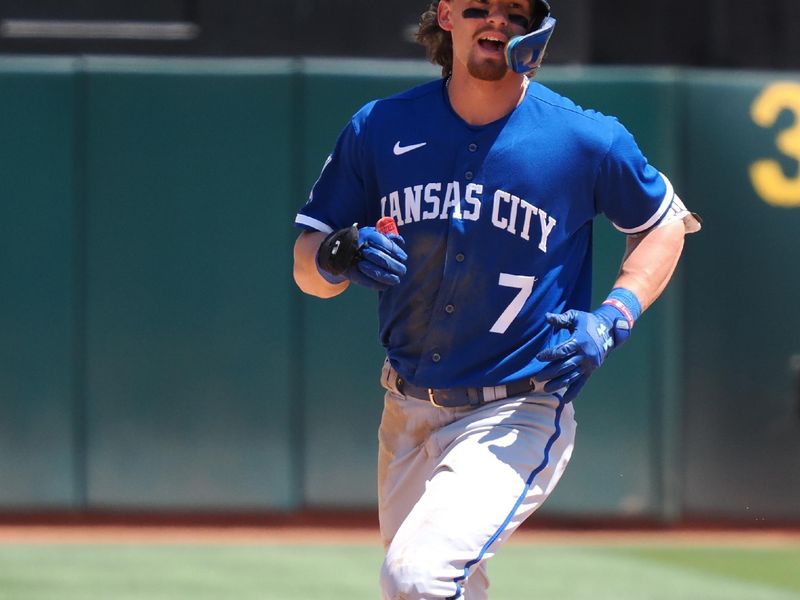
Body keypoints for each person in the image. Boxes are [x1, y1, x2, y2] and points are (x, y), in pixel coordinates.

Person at [292, 0, 701, 598]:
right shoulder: (380, 126)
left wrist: (615, 315)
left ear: (537, 28)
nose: (497, 21)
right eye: (479, 7)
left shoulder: (583, 138)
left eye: (515, 11)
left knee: (418, 578)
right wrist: (336, 254)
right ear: (445, 17)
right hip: (404, 408)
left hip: (516, 410)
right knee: (440, 587)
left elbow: (664, 223)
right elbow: (309, 268)